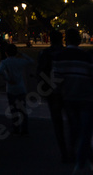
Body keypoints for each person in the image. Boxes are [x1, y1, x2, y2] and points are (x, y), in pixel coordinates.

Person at [52, 27, 93, 171]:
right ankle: (82, 160)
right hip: (86, 97)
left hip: (68, 97)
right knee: (85, 130)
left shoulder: (59, 57)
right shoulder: (87, 57)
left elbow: (56, 80)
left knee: (75, 128)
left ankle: (78, 156)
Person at [39, 29, 70, 163]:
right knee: (73, 121)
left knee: (58, 124)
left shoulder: (46, 53)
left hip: (52, 92)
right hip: (68, 91)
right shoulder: (67, 53)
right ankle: (75, 149)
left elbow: (40, 72)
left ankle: (64, 152)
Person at [0, 43, 34, 135]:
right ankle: (24, 129)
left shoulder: (5, 62)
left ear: (6, 53)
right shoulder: (19, 61)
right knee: (23, 109)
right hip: (21, 87)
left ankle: (16, 128)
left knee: (13, 109)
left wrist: (7, 79)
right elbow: (31, 61)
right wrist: (22, 54)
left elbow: (0, 71)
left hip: (11, 88)